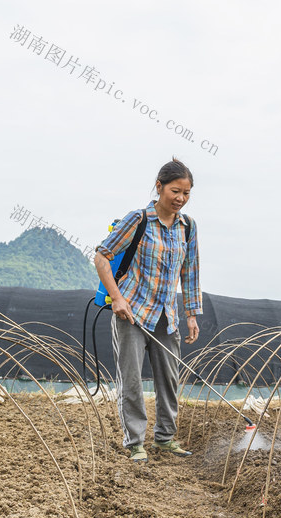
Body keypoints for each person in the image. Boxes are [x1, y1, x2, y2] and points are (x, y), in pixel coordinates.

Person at [94, 158, 202, 463]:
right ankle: (135, 442)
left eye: (186, 193)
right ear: (159, 187)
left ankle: (166, 438)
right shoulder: (139, 220)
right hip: (132, 313)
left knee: (169, 378)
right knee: (131, 378)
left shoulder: (188, 227)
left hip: (167, 317)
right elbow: (102, 257)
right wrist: (117, 298)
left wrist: (191, 314)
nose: (180, 198)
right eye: (175, 191)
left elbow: (190, 272)